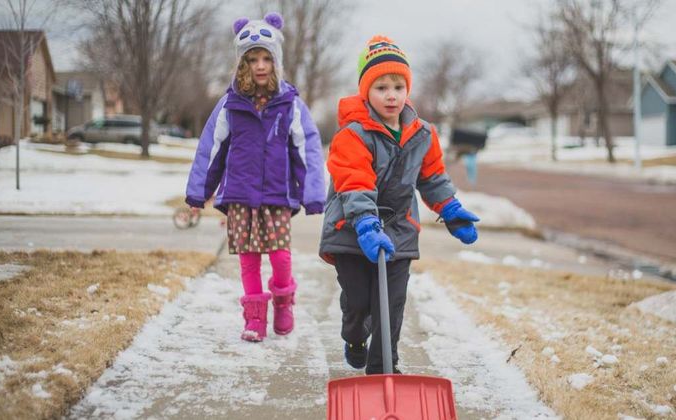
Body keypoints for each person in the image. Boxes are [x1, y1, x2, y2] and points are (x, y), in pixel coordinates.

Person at [319, 36, 480, 374]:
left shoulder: (423, 135)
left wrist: (449, 209)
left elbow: (432, 176)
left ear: (408, 88)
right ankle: (354, 335)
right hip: (351, 230)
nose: (390, 95)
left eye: (397, 86)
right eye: (380, 87)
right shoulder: (352, 134)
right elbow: (355, 181)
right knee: (360, 302)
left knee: (390, 306)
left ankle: (383, 367)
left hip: (399, 230)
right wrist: (364, 223)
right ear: (366, 92)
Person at [185, 12, 325, 342]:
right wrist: (198, 192)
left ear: (276, 61)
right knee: (249, 261)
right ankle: (254, 321)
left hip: (277, 195)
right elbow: (211, 148)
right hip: (239, 194)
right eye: (252, 59)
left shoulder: (290, 105)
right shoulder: (229, 105)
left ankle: (283, 300)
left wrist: (313, 192)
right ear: (242, 64)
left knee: (279, 257)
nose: (260, 65)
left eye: (266, 58)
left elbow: (307, 148)